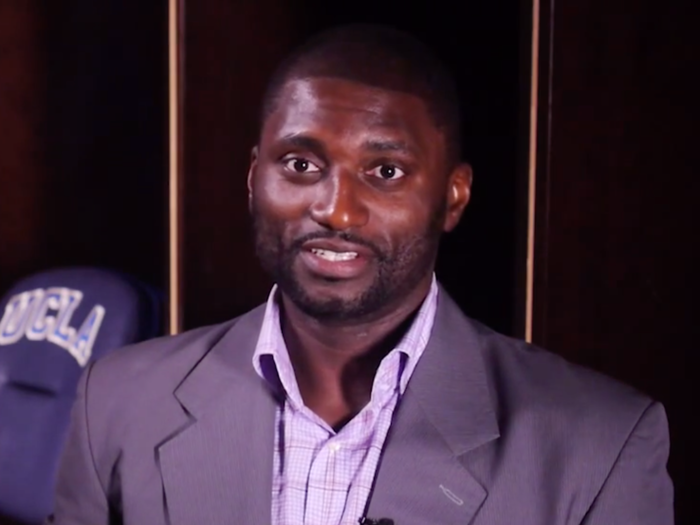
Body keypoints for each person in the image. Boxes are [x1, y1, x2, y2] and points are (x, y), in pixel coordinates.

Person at [51, 25, 673, 525]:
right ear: (253, 178)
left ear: (453, 198)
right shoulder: (114, 403)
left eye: (386, 173)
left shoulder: (600, 445)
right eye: (300, 163)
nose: (335, 209)